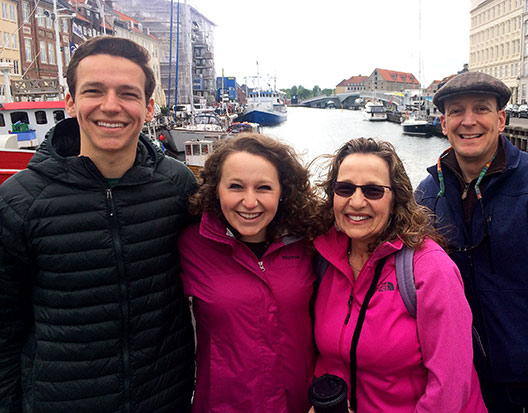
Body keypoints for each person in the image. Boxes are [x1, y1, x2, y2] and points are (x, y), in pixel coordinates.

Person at [0, 37, 196, 412]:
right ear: (70, 102)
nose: (111, 106)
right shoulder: (19, 202)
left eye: (127, 93)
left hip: (163, 399)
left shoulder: (178, 186)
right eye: (94, 91)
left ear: (149, 107)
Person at [416, 71, 528, 413]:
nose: (468, 121)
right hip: (473, 387)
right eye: (456, 111)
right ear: (443, 123)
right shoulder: (428, 195)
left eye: (481, 109)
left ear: (501, 119)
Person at [311, 137, 487, 412]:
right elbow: (330, 358)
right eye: (344, 188)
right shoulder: (325, 260)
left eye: (373, 191)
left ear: (395, 199)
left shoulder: (428, 268)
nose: (356, 202)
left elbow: (450, 385)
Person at [178, 133, 319, 412]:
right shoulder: (190, 245)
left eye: (264, 187)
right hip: (223, 405)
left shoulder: (310, 242)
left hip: (300, 404)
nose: (250, 202)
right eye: (236, 187)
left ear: (283, 192)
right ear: (216, 189)